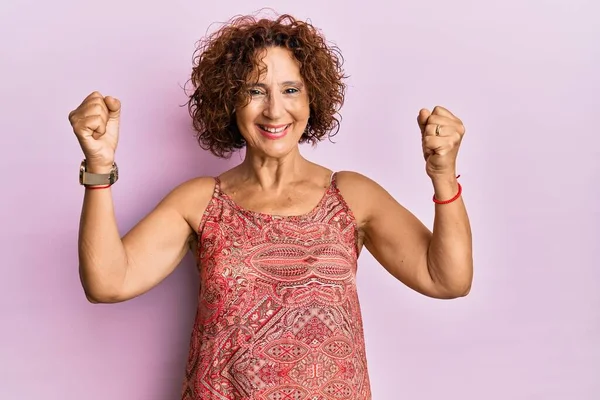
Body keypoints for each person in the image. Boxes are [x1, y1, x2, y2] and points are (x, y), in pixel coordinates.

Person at [67, 13, 472, 400]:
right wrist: (99, 168)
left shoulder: (351, 195)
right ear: (230, 100)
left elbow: (447, 279)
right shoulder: (200, 201)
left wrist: (443, 176)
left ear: (313, 96)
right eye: (255, 90)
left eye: (291, 89)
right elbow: (107, 283)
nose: (275, 110)